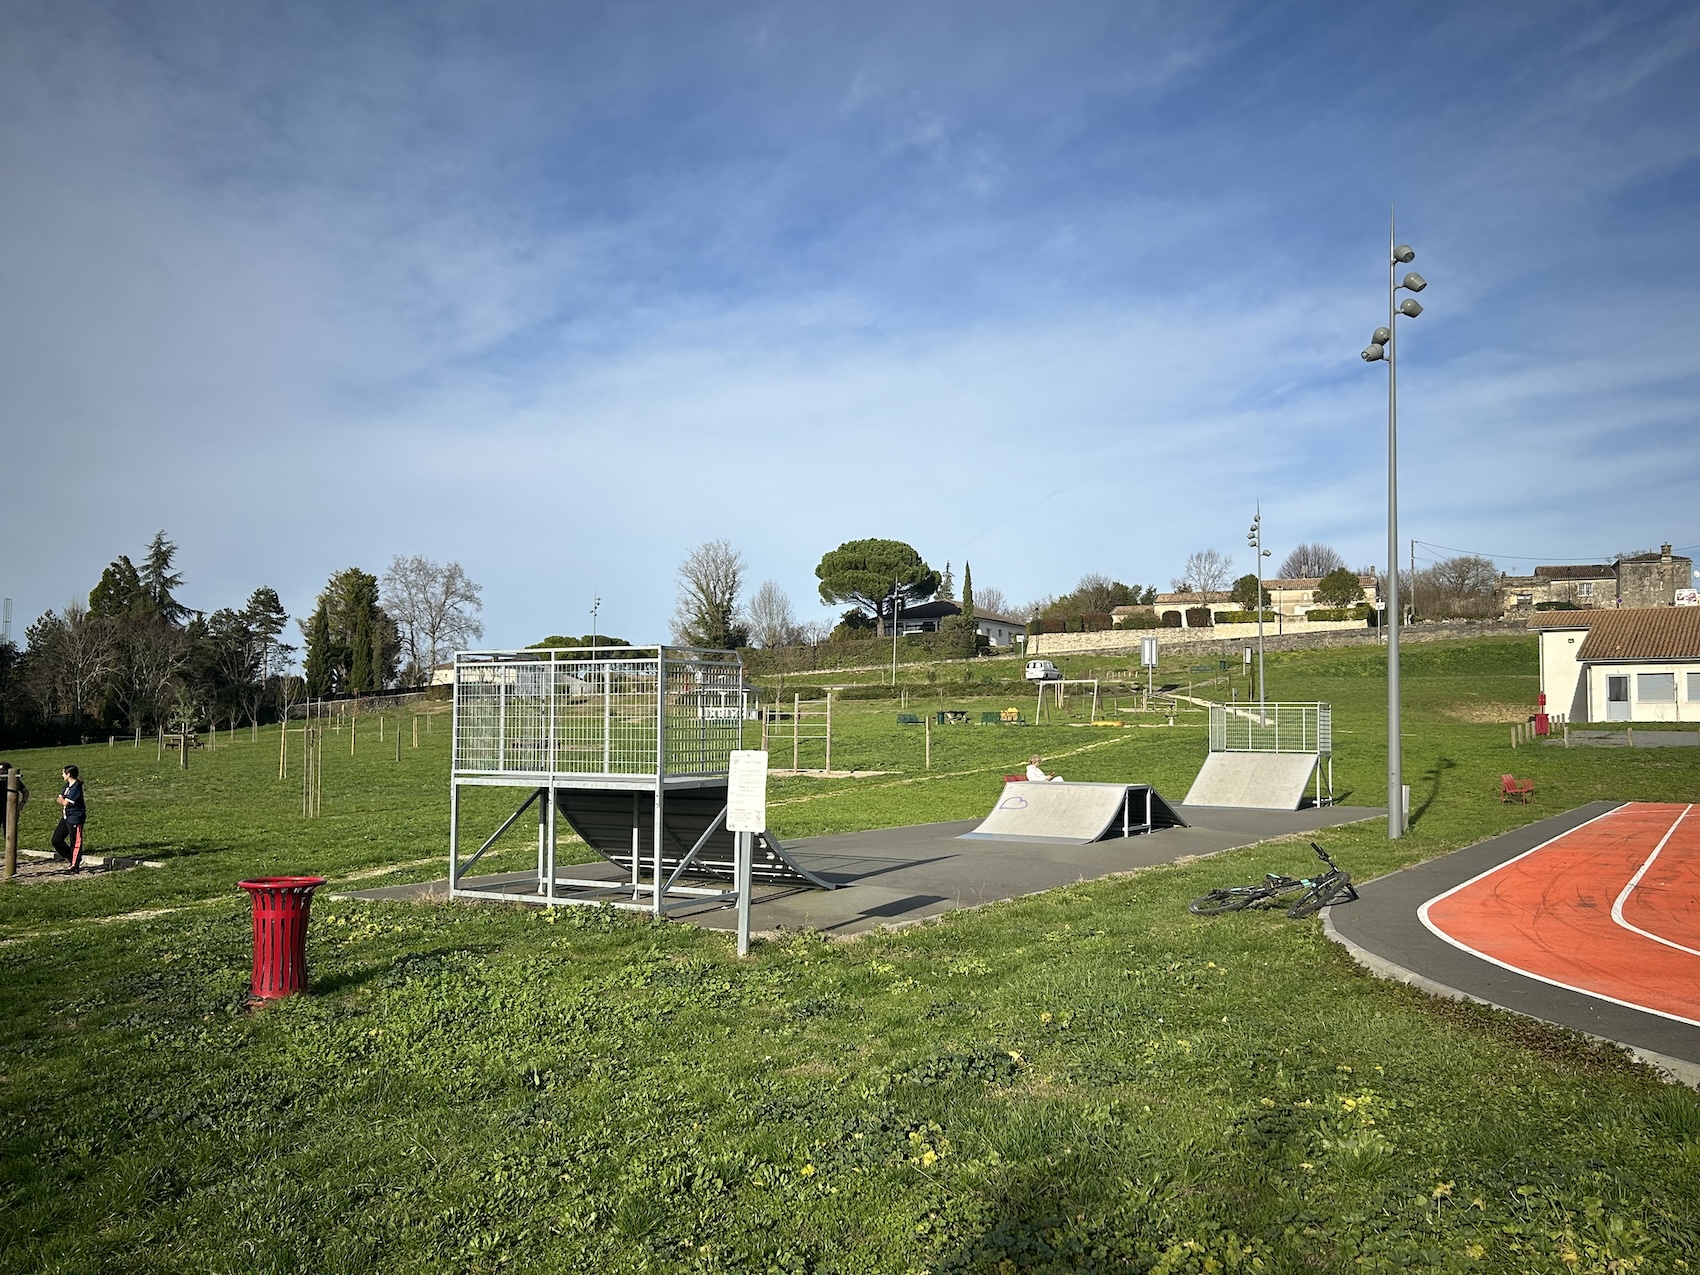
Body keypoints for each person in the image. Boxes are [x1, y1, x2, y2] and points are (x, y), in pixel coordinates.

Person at [53, 764, 86, 872]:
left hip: (75, 818)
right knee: (56, 840)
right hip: (66, 817)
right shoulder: (67, 786)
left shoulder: (76, 787)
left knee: (75, 842)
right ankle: (72, 858)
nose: (62, 775)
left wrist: (63, 800)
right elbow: (59, 799)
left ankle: (74, 866)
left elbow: (65, 802)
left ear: (69, 774)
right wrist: (62, 800)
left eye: (63, 773)